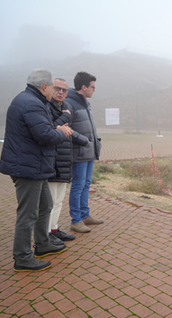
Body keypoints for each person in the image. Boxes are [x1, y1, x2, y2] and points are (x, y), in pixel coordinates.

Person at [0, 69, 73, 272]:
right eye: (52, 87)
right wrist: (62, 132)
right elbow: (44, 135)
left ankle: (43, 243)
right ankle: (22, 257)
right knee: (28, 214)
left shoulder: (29, 100)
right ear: (45, 87)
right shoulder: (31, 103)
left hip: (35, 165)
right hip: (28, 166)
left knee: (45, 205)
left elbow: (40, 130)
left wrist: (53, 130)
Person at [47, 78, 89, 244]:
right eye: (57, 89)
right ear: (49, 88)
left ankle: (54, 229)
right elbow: (46, 129)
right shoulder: (45, 107)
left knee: (58, 201)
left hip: (65, 161)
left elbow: (68, 131)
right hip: (50, 161)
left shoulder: (66, 107)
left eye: (64, 90)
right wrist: (63, 119)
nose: (61, 92)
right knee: (48, 203)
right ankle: (45, 235)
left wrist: (84, 140)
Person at [66, 71, 103, 233]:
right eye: (92, 87)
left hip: (89, 151)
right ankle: (76, 220)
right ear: (83, 87)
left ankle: (85, 214)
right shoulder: (69, 103)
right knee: (78, 185)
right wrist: (83, 140)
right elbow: (66, 128)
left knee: (86, 184)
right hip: (79, 151)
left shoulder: (85, 103)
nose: (94, 90)